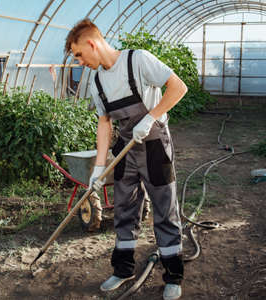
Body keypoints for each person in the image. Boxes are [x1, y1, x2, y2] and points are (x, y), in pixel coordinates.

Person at [65, 19, 187, 300]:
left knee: (165, 210)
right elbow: (104, 124)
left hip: (155, 144)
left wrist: (151, 117)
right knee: (124, 210)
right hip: (125, 149)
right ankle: (123, 269)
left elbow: (178, 88)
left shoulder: (139, 60)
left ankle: (173, 275)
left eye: (79, 55)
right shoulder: (96, 80)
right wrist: (97, 168)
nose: (80, 62)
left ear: (92, 44)